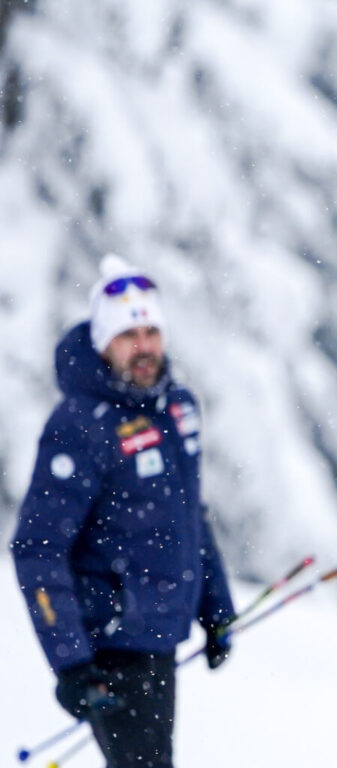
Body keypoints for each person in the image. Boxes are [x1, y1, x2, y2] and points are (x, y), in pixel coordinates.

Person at [12, 256, 237, 768]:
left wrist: (216, 607)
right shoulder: (80, 424)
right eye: (127, 335)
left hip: (157, 637)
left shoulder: (173, 408)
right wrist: (71, 662)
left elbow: (188, 517)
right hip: (111, 647)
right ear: (103, 343)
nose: (143, 347)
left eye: (151, 331)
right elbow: (37, 547)